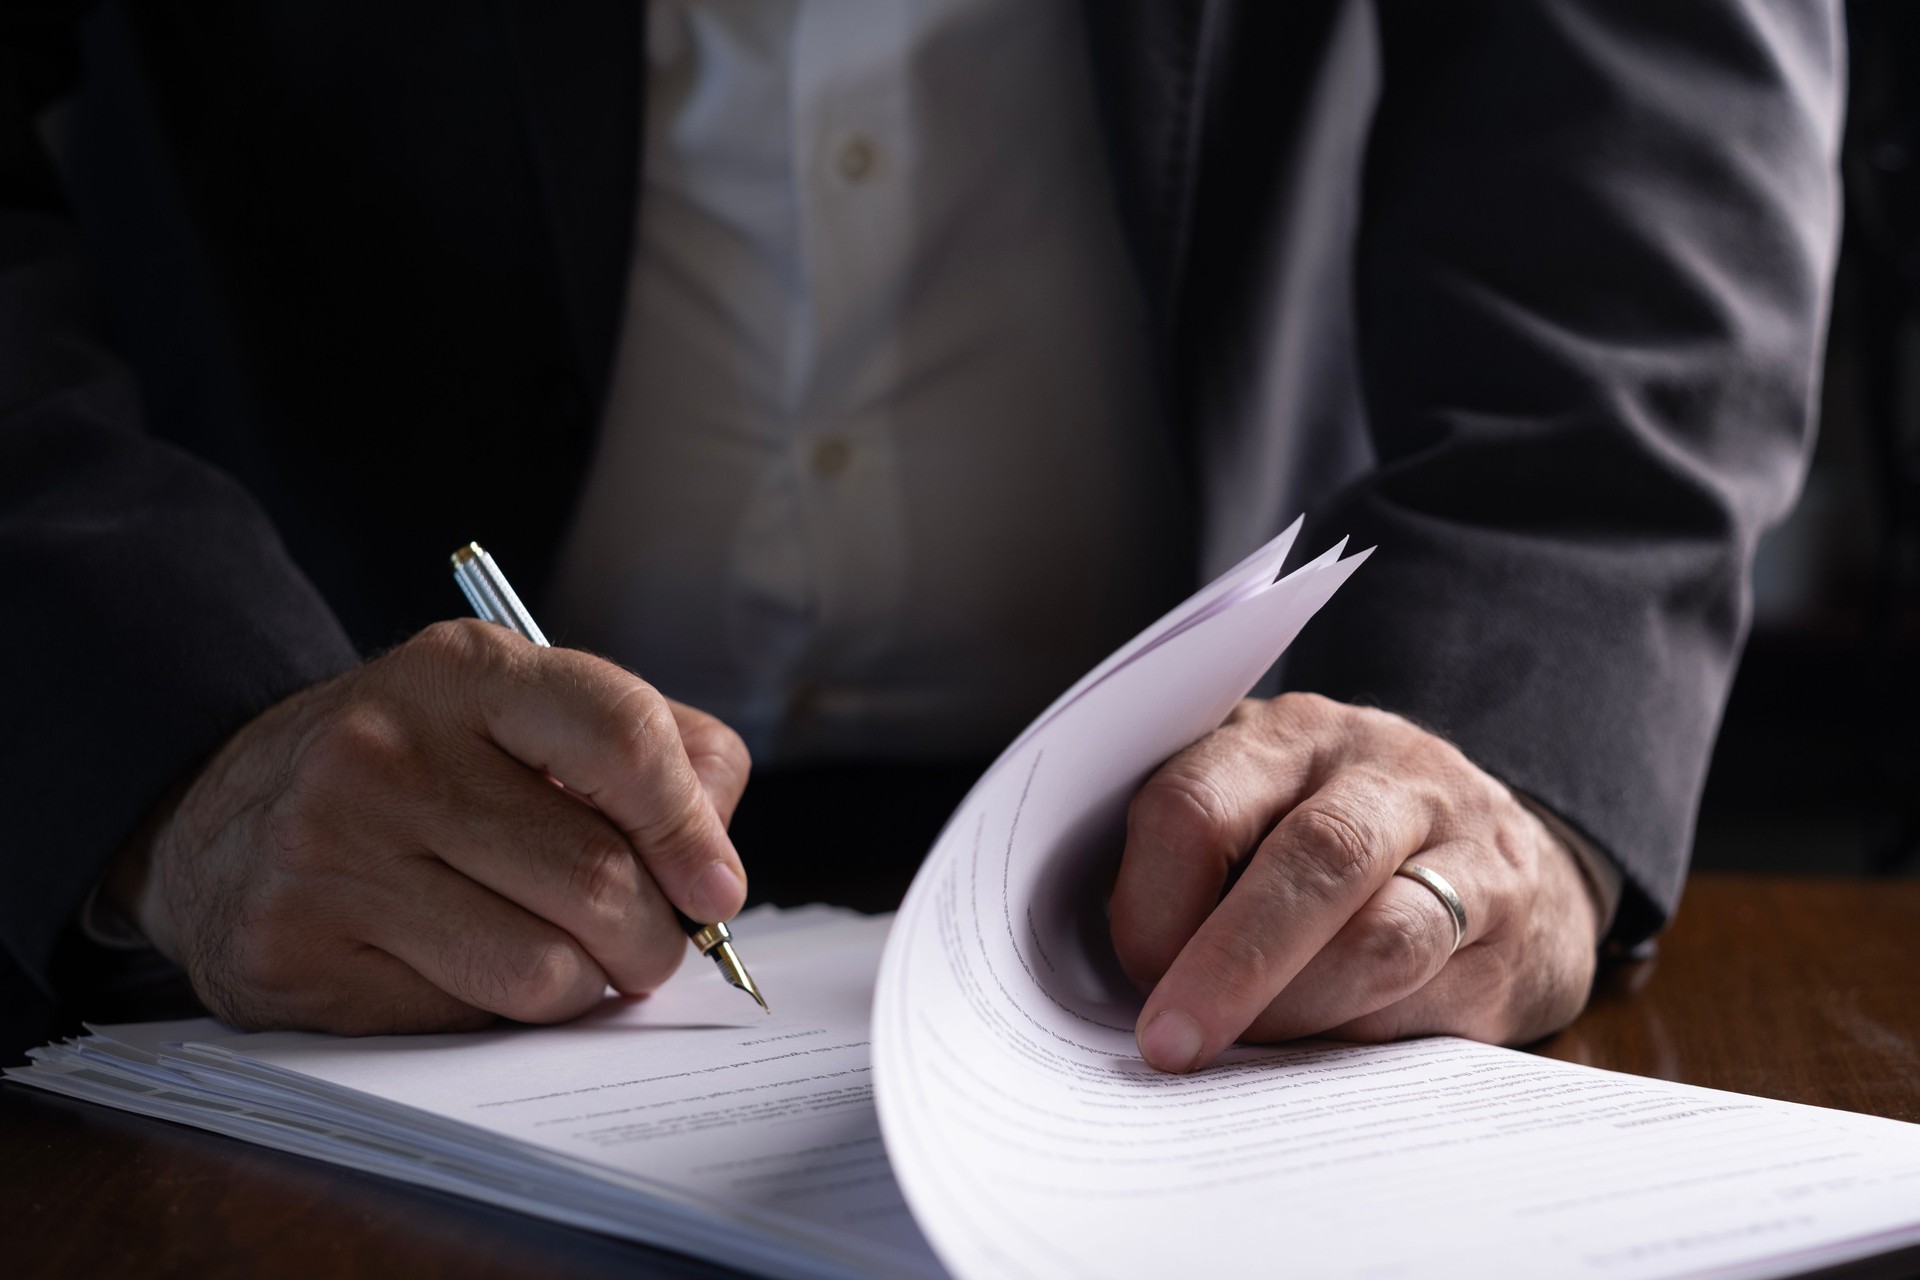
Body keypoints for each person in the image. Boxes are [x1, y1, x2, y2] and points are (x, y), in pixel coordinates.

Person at [0, 1, 1841, 1071]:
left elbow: (1646, 145)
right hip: (336, 799)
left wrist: (1501, 762)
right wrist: (180, 752)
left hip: (1213, 826)